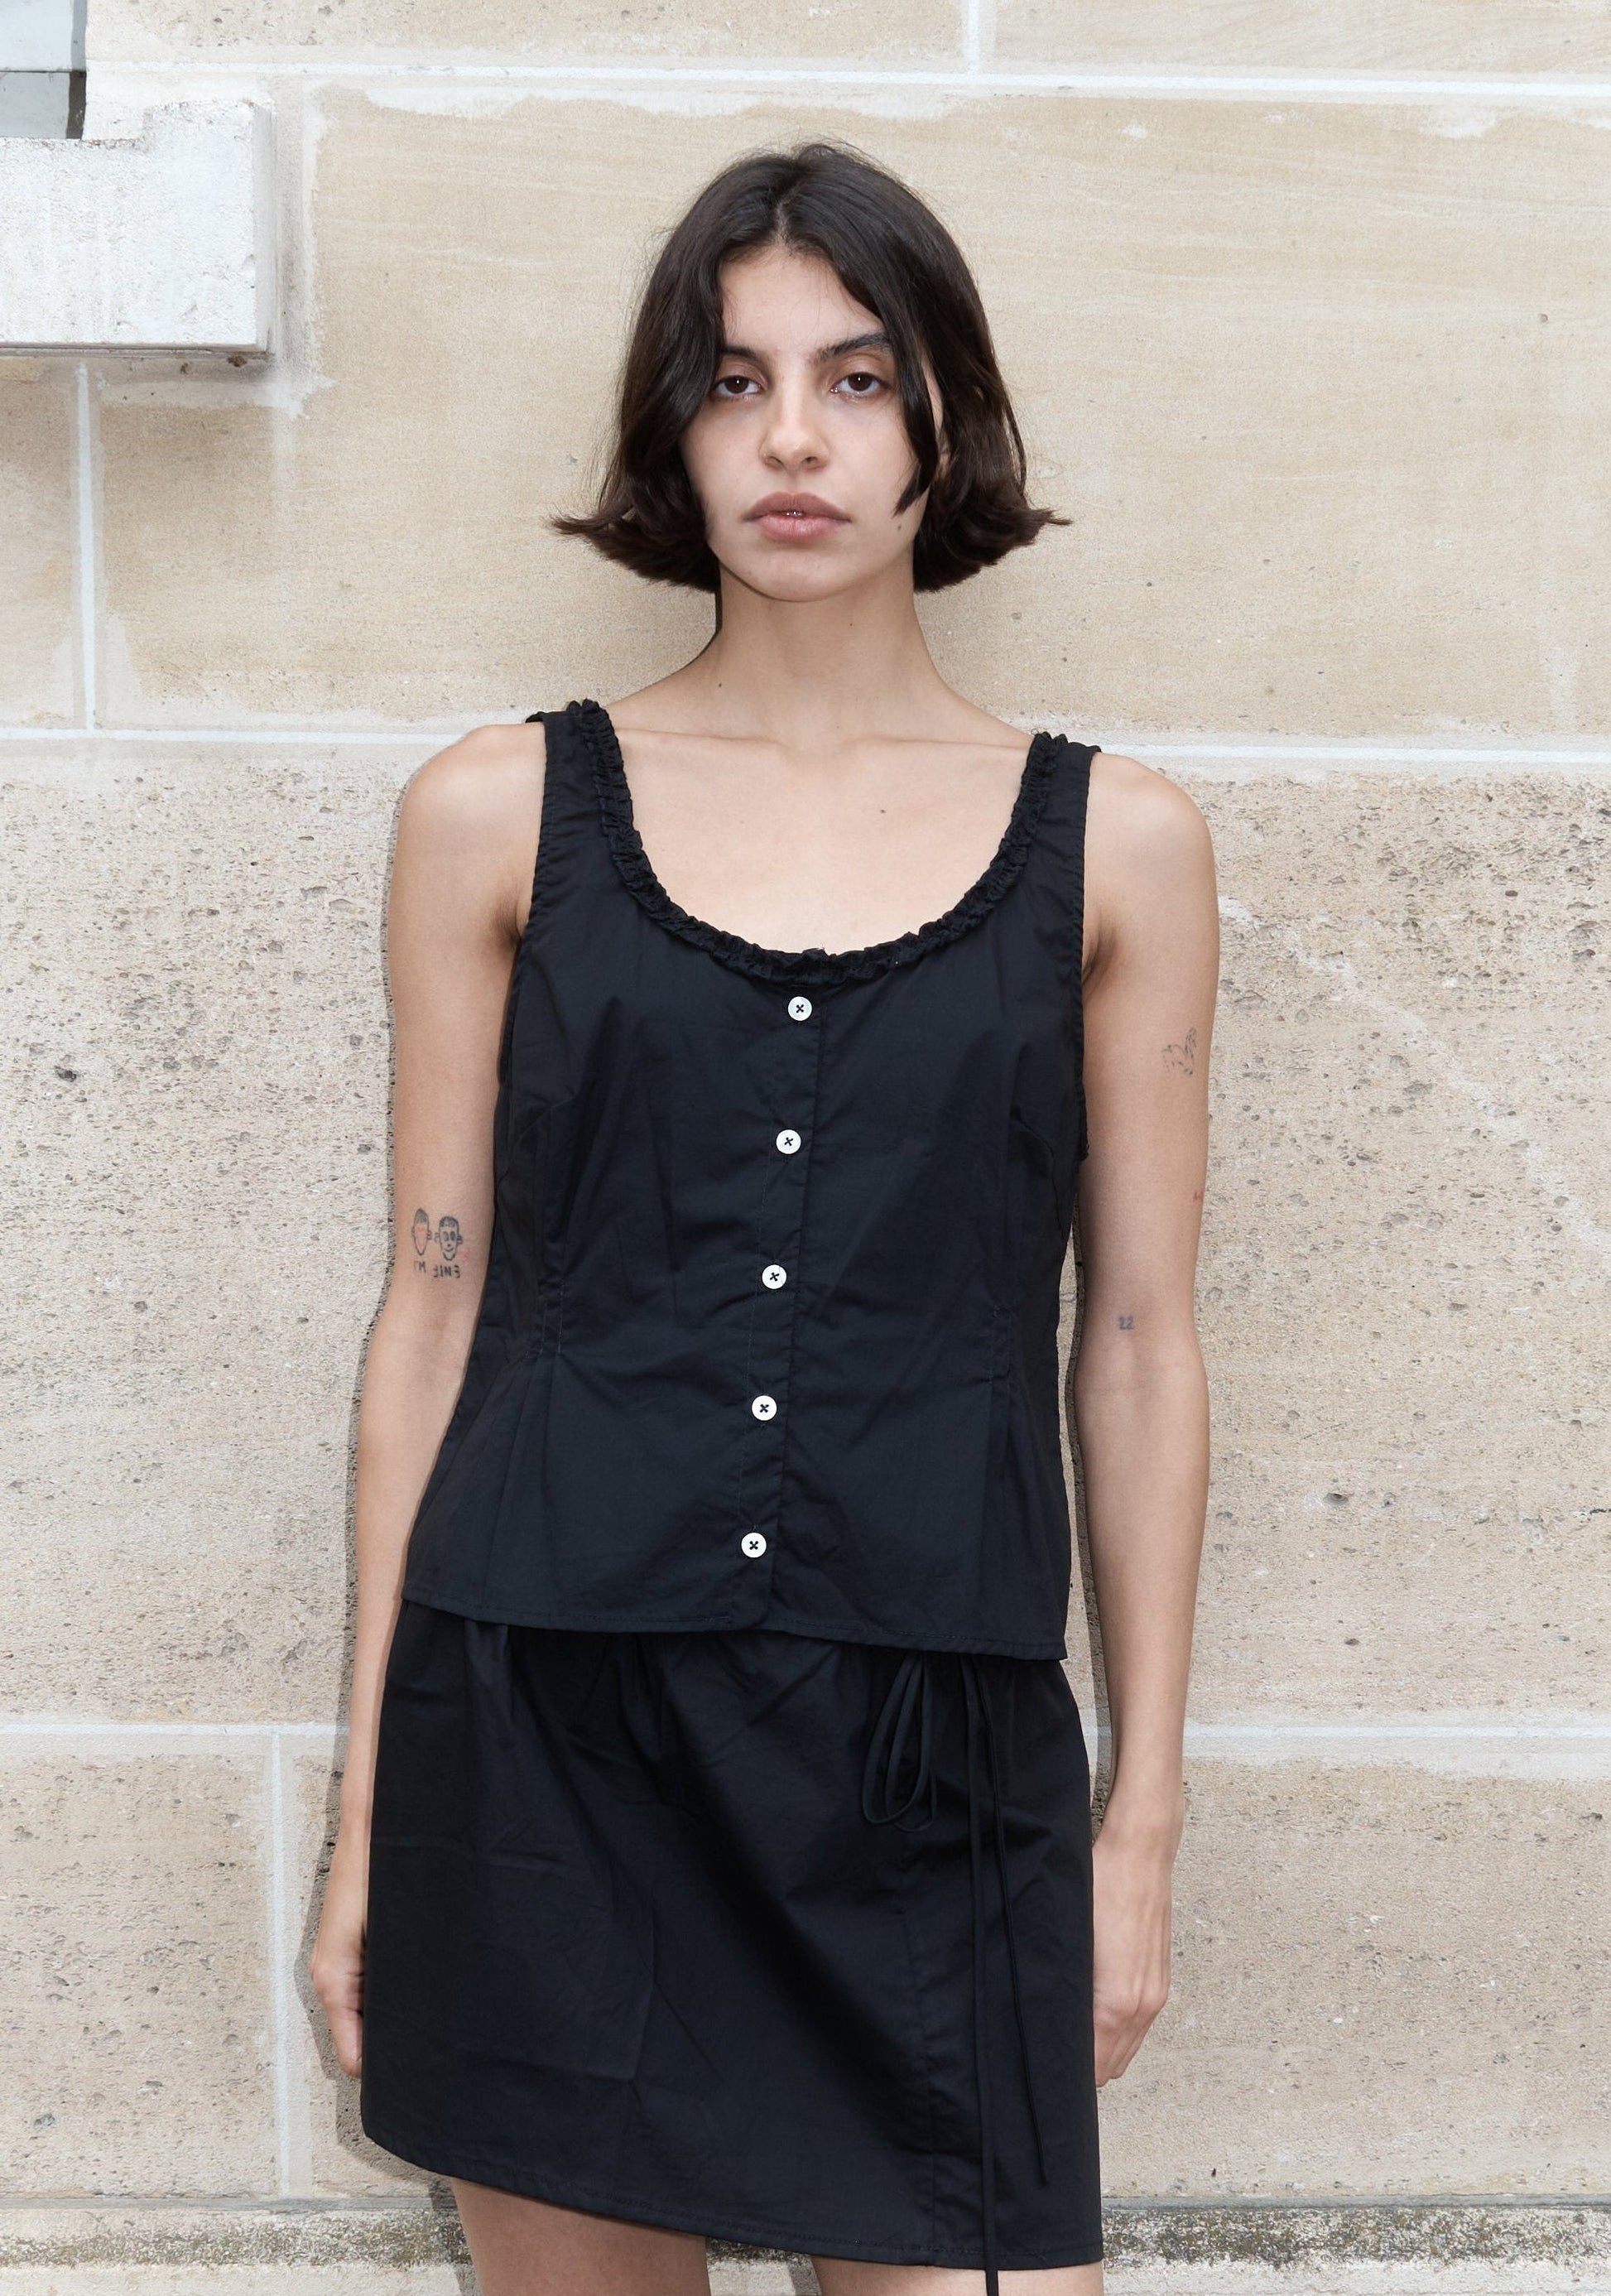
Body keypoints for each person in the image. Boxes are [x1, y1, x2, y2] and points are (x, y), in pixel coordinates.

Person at [311, 138, 1218, 2296]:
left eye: (858, 377)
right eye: (730, 382)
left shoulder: (1119, 850)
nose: (792, 438)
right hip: (547, 1741)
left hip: (930, 1747)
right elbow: (428, 1320)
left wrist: (1138, 1824)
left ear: (946, 425)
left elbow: (1139, 1342)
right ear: (667, 433)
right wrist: (366, 1821)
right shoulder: (490, 816)